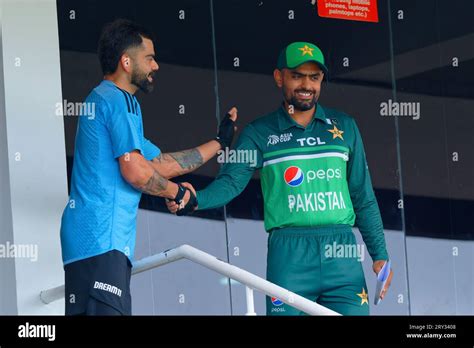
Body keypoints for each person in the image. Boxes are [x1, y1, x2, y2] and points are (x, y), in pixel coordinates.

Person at [168, 41, 393, 316]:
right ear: (279, 77)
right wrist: (195, 200)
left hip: (342, 253)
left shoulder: (344, 126)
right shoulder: (259, 132)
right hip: (289, 254)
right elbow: (231, 182)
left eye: (314, 77)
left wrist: (380, 255)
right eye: (297, 76)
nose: (306, 85)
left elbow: (362, 196)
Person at [59, 18, 237, 316]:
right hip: (104, 239)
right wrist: (177, 193)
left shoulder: (104, 100)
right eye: (150, 58)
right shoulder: (119, 100)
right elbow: (137, 173)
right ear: (126, 62)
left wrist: (219, 142)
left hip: (89, 242)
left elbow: (158, 164)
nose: (155, 67)